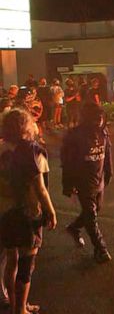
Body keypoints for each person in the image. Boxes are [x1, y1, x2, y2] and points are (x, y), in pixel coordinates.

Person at [0, 108, 56, 314]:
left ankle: (15, 304)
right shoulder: (34, 151)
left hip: (5, 213)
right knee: (26, 264)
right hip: (27, 213)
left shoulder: (1, 148)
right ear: (27, 126)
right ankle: (21, 309)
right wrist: (50, 211)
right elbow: (40, 188)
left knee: (11, 260)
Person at [61, 102, 113, 263]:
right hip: (83, 181)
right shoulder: (75, 136)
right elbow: (67, 162)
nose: (99, 120)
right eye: (95, 117)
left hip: (99, 180)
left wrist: (109, 173)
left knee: (96, 209)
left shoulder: (103, 132)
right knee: (91, 216)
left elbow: (107, 152)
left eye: (101, 116)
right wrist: (68, 185)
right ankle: (101, 248)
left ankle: (74, 228)